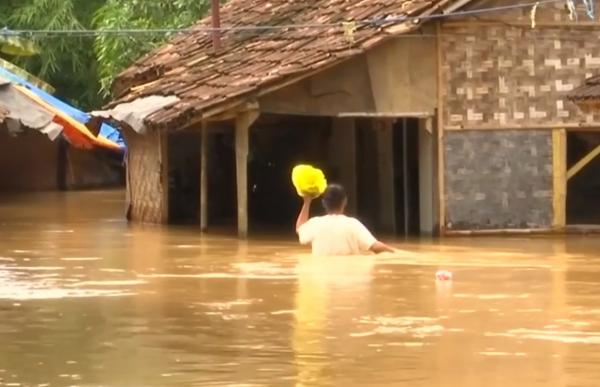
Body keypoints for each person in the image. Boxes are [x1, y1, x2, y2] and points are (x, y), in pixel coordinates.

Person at [296, 183, 395, 255]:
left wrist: (307, 202)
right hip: (348, 278)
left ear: (324, 203)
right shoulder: (353, 224)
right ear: (345, 202)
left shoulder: (315, 224)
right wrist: (397, 253)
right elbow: (375, 247)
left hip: (322, 279)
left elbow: (300, 229)